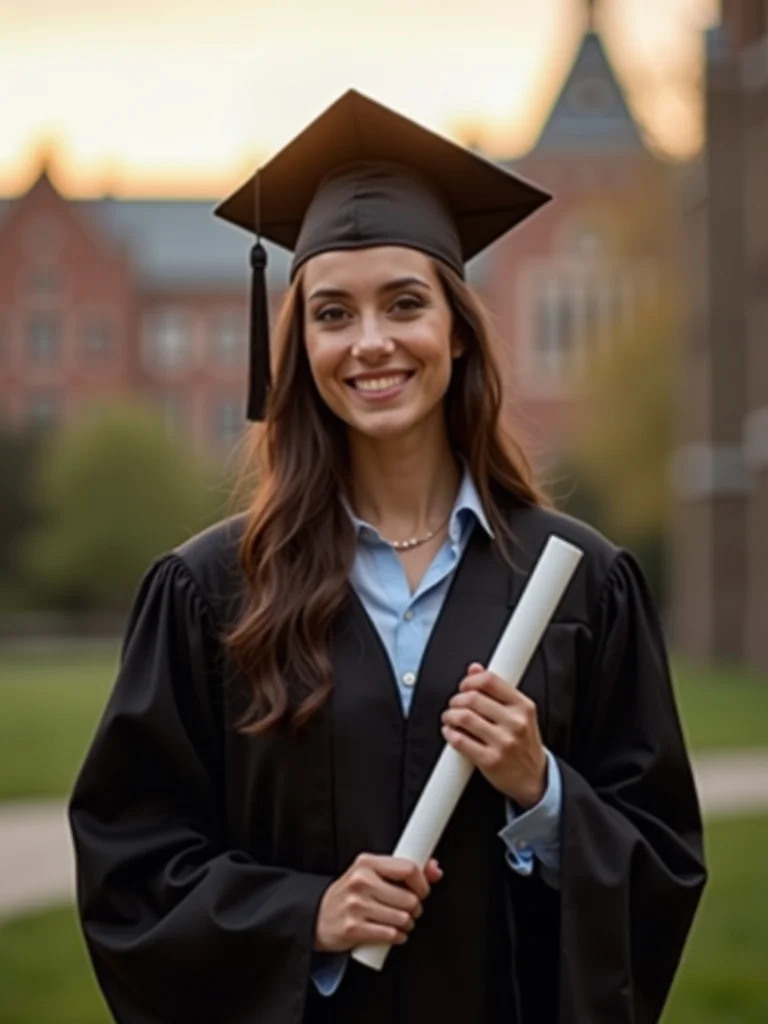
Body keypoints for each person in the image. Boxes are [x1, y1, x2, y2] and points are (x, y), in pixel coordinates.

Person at [69, 90, 706, 1024]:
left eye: (404, 304)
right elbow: (130, 869)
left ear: (456, 328)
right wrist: (303, 916)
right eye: (333, 313)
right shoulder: (211, 592)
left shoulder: (581, 584)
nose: (371, 343)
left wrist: (541, 790)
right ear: (302, 346)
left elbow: (663, 865)